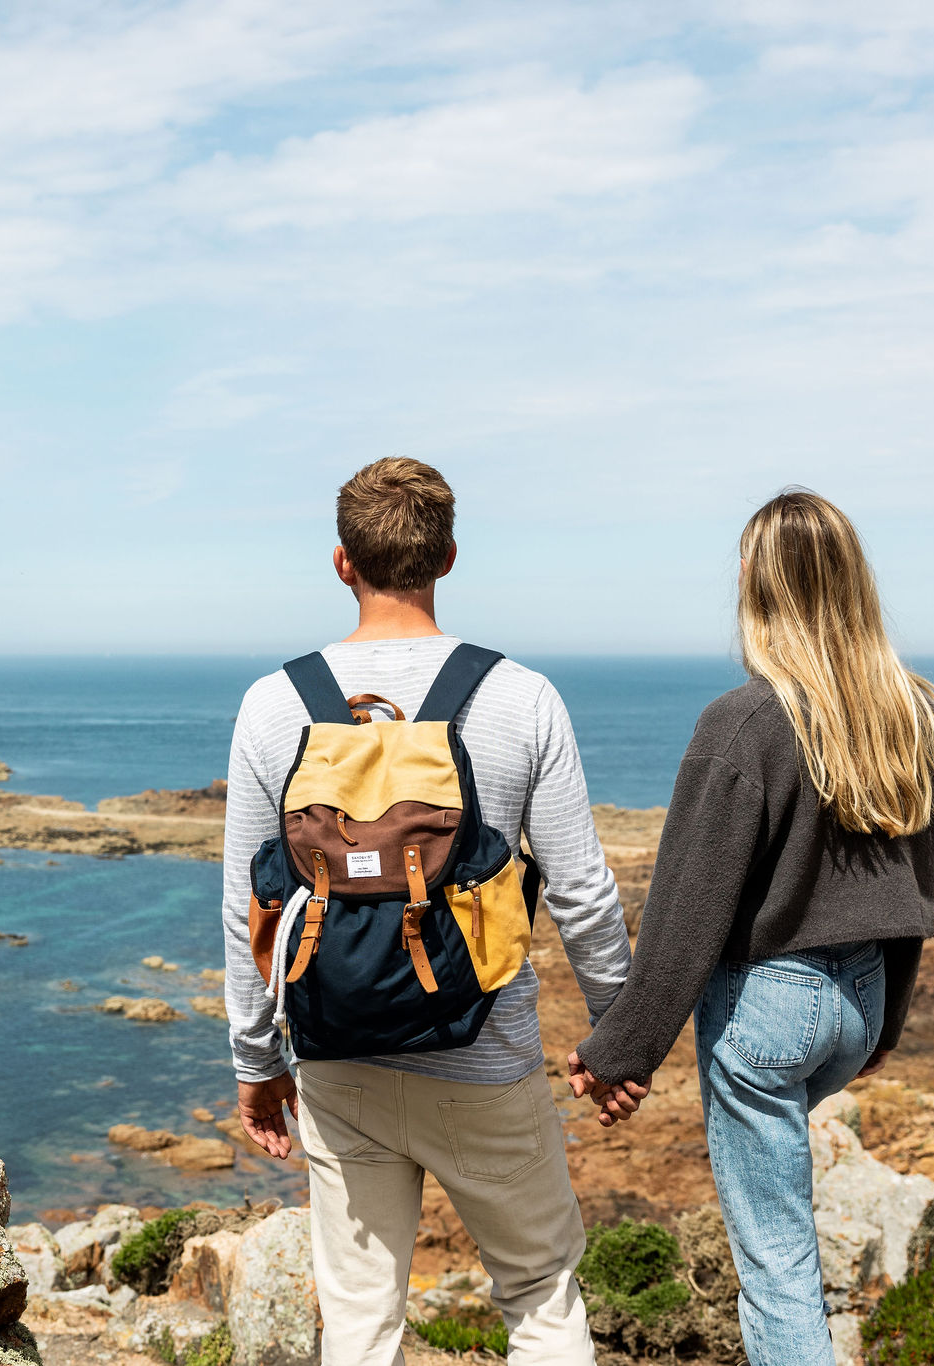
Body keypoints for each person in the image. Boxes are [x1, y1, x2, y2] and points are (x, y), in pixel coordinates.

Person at [222, 457, 640, 1366]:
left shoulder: (272, 705)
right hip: (485, 1057)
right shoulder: (519, 697)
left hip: (338, 1062)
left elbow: (248, 904)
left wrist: (257, 1061)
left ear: (342, 562)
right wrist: (621, 1040)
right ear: (448, 556)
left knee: (362, 1320)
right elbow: (581, 891)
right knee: (537, 1293)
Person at [570, 488, 934, 1366]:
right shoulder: (916, 718)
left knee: (777, 1270)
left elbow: (685, 913)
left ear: (757, 585)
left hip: (769, 1012)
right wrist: (887, 1022)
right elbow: (923, 888)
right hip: (858, 1005)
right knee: (786, 1231)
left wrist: (622, 1052)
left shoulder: (742, 724)